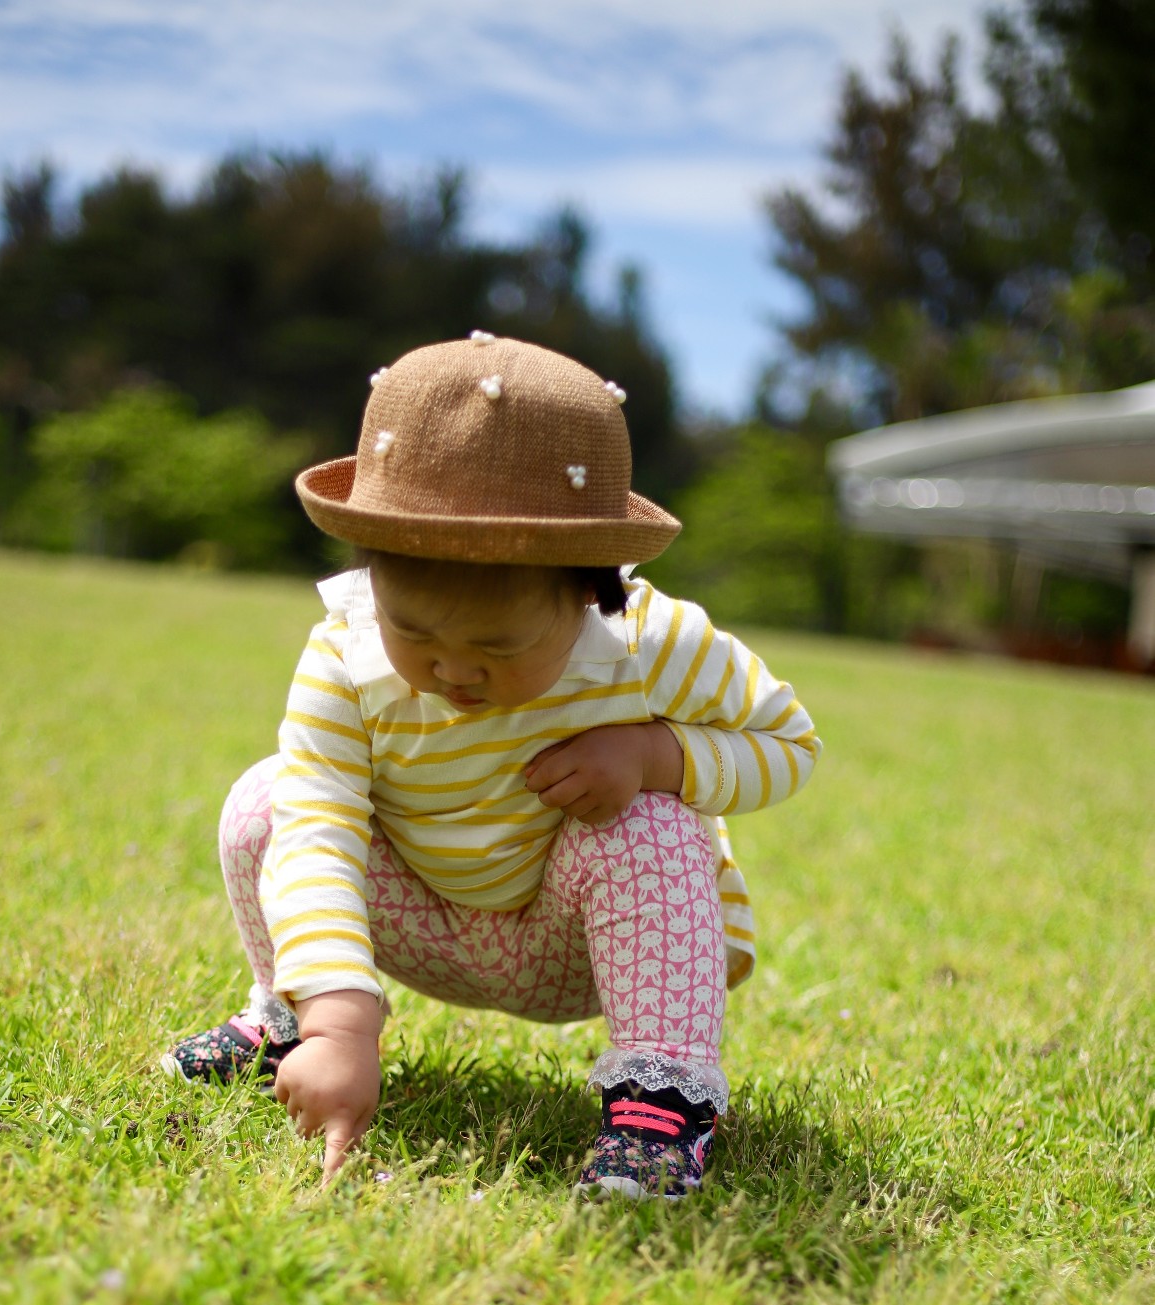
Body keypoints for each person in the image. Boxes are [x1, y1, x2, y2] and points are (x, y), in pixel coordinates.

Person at [164, 335, 820, 1198]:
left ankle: (658, 1103)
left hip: (581, 941)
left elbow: (790, 745)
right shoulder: (345, 657)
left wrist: (655, 753)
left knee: (648, 819)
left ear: (589, 590)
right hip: (420, 920)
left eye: (497, 645)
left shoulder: (649, 645)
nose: (453, 672)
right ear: (370, 576)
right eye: (418, 635)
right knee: (269, 801)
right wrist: (341, 1026)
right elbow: (320, 827)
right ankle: (289, 1025)